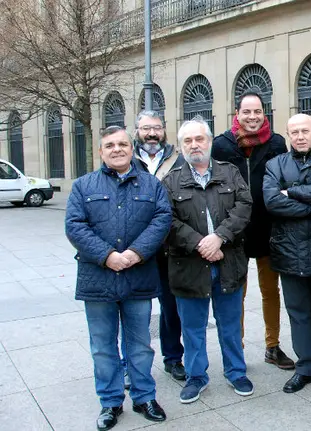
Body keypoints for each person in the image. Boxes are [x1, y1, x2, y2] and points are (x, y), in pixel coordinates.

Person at [65, 126, 171, 431]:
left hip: (138, 277)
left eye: (122, 144)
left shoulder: (151, 184)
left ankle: (144, 397)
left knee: (140, 345)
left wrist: (136, 253)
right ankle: (110, 402)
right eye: (110, 145)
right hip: (97, 278)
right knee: (103, 347)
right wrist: (108, 255)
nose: (117, 149)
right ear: (101, 152)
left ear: (131, 148)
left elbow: (162, 219)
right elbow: (75, 226)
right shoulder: (83, 186)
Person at [163, 117, 255, 404]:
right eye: (188, 141)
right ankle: (196, 377)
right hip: (189, 266)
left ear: (210, 141)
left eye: (199, 139)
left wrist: (219, 237)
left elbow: (244, 206)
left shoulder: (230, 172)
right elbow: (167, 221)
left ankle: (236, 372)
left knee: (230, 324)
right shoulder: (170, 181)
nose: (194, 145)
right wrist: (200, 244)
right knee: (192, 328)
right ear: (181, 146)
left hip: (229, 263)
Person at [211, 90, 294, 370]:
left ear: (264, 113)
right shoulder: (221, 146)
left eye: (257, 111)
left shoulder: (276, 143)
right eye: (247, 111)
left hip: (269, 228)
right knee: (238, 293)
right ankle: (238, 349)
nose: (253, 117)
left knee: (271, 290)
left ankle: (272, 346)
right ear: (237, 113)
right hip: (235, 231)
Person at [263, 113, 311, 395]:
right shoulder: (275, 165)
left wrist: (293, 192)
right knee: (297, 312)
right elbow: (272, 202)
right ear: (288, 134)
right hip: (288, 250)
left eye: (305, 131)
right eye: (294, 132)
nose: (300, 136)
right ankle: (305, 367)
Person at [132, 110, 186, 382]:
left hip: (168, 247)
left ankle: (173, 358)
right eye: (146, 128)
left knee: (171, 307)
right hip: (134, 248)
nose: (151, 134)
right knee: (133, 310)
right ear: (137, 131)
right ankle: (131, 364)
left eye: (156, 128)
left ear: (164, 129)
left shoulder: (178, 160)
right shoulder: (126, 159)